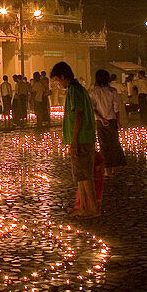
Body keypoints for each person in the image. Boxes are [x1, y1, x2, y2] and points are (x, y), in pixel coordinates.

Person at [51, 61, 101, 217]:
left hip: (81, 138)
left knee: (85, 175)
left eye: (57, 80)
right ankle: (84, 207)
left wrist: (73, 142)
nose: (58, 84)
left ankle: (92, 208)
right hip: (84, 137)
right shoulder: (78, 89)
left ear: (63, 76)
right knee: (81, 175)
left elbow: (78, 114)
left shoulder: (74, 90)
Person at [89, 69, 125, 173]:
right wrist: (118, 121)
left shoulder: (92, 92)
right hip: (112, 120)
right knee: (114, 144)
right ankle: (115, 168)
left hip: (100, 122)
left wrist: (101, 118)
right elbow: (116, 108)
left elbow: (93, 108)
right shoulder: (112, 91)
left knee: (103, 145)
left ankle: (106, 169)